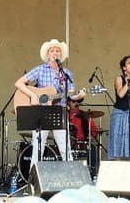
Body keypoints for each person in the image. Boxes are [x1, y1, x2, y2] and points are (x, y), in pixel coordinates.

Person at [15, 39, 82, 171]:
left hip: (59, 112)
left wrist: (79, 96)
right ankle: (33, 181)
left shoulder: (66, 73)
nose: (55, 53)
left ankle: (70, 179)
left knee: (65, 148)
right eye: (52, 51)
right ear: (47, 55)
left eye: (58, 51)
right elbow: (19, 83)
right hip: (41, 114)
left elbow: (70, 94)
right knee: (38, 149)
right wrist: (33, 95)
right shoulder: (40, 69)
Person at [108, 55, 130, 161]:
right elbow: (121, 94)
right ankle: (117, 174)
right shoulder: (119, 79)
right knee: (118, 146)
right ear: (124, 67)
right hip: (120, 114)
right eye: (128, 63)